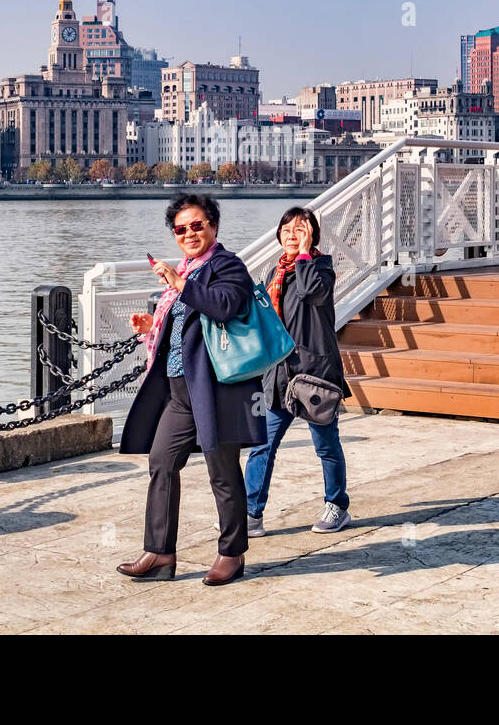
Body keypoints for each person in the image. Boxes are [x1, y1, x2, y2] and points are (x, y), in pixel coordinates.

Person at [117, 193, 266, 586]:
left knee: (222, 472)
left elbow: (225, 306)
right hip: (178, 390)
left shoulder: (226, 265)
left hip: (216, 389)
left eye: (197, 225)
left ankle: (231, 554)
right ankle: (160, 553)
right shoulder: (186, 269)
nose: (189, 233)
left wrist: (179, 283)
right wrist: (152, 328)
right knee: (161, 462)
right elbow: (187, 327)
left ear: (213, 226)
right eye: (181, 229)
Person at [243, 206, 352, 535]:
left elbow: (312, 294)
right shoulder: (274, 275)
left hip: (314, 375)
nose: (292, 235)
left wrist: (304, 254)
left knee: (326, 445)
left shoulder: (321, 269)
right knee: (263, 445)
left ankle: (337, 506)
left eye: (301, 229)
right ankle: (251, 514)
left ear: (313, 236)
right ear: (278, 235)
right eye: (287, 229)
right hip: (277, 377)